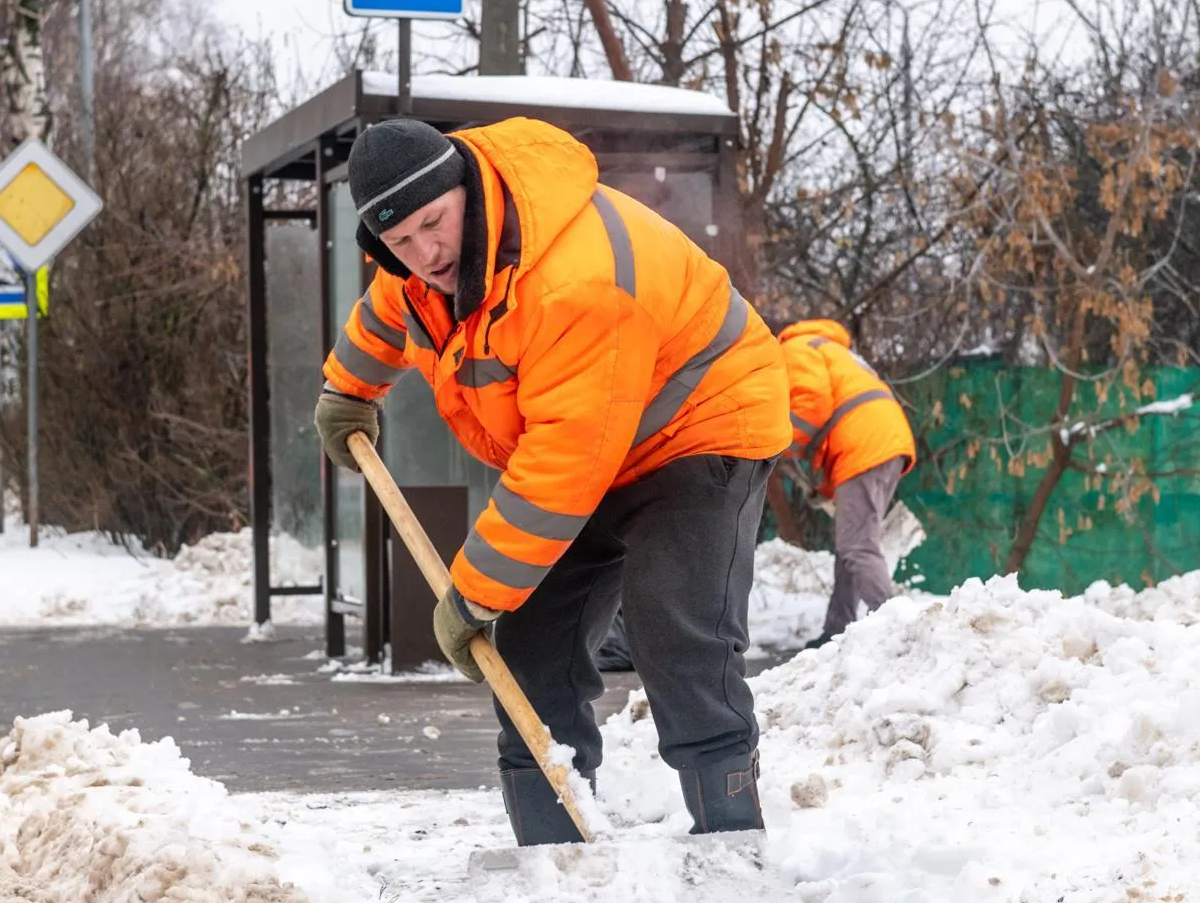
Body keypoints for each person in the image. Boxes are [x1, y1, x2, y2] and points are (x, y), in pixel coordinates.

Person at [313, 115, 791, 846]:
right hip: (594, 442)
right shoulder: (425, 268)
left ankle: (733, 847)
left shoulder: (574, 281)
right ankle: (555, 853)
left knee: (676, 632)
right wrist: (349, 390)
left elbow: (565, 461)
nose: (425, 253)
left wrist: (474, 591)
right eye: (401, 241)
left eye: (434, 224)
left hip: (700, 423)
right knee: (532, 648)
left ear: (467, 189)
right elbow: (389, 310)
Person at [776, 319, 916, 648]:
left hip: (865, 444)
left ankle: (900, 633)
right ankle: (837, 628)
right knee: (851, 543)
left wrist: (776, 443)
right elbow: (837, 417)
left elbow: (811, 405)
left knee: (857, 546)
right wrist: (826, 489)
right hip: (881, 440)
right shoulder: (831, 348)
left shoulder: (793, 347)